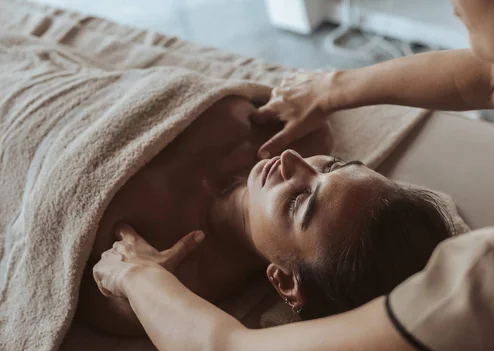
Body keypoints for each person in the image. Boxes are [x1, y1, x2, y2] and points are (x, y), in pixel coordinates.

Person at [92, 0, 494, 351]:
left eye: (300, 205)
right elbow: (487, 79)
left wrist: (134, 272)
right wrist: (331, 87)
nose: (292, 163)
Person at [78, 95, 454, 336]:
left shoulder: (171, 272)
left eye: (299, 203)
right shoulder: (302, 135)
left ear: (286, 283)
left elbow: (100, 291)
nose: (292, 161)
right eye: (336, 166)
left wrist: (139, 285)